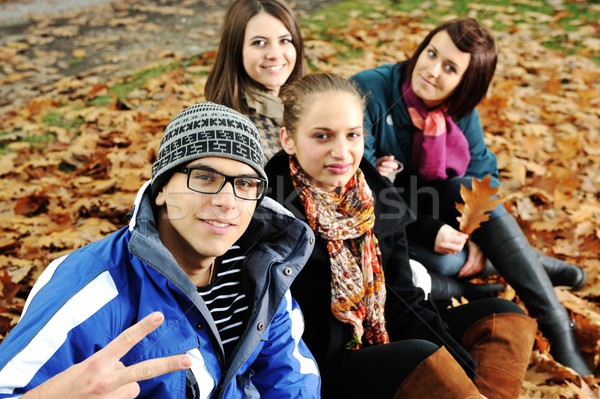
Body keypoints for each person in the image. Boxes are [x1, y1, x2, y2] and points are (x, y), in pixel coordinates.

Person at [0, 102, 321, 398]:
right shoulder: (90, 288)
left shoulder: (263, 270)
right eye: (205, 178)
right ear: (162, 188)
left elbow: (291, 380)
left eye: (245, 184)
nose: (227, 202)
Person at [266, 72, 538, 399]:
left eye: (352, 135)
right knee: (419, 357)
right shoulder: (272, 215)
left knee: (504, 319)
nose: (342, 151)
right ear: (288, 139)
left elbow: (404, 300)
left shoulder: (375, 198)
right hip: (325, 368)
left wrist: (461, 369)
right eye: (322, 136)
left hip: (384, 336)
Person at [350, 18, 592, 376]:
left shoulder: (460, 111)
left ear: (467, 82)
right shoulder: (371, 91)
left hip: (440, 212)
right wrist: (427, 229)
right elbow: (358, 183)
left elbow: (485, 181)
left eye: (450, 68)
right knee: (447, 264)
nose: (431, 71)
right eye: (431, 53)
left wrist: (477, 233)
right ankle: (530, 264)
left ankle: (555, 323)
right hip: (389, 224)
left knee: (467, 188)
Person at [205, 0, 305, 162]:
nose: (275, 54)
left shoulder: (301, 104)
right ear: (236, 51)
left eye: (284, 40)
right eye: (259, 43)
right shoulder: (234, 132)